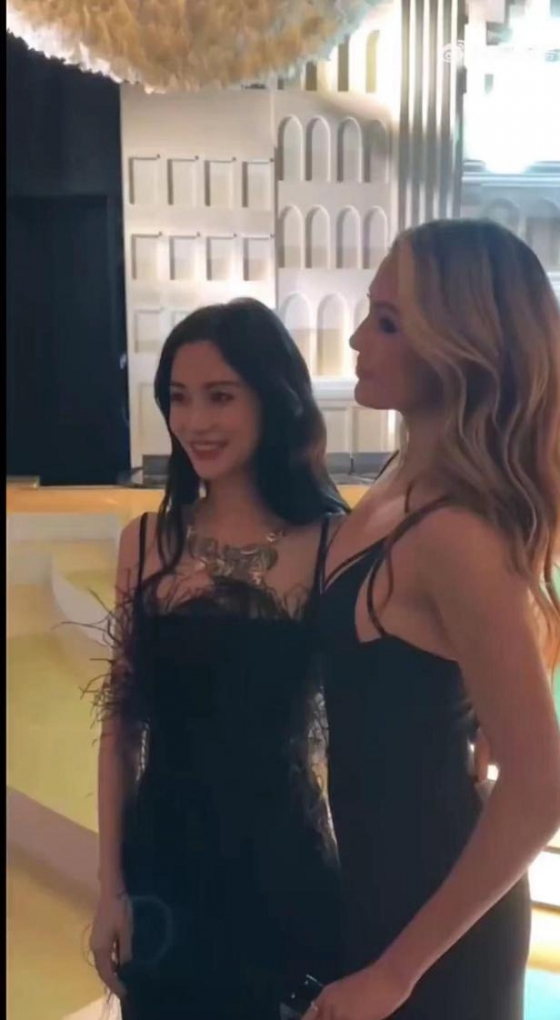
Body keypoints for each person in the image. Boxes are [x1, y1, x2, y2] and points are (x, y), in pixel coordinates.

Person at [305, 219, 560, 1020]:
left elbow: (543, 790)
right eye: (371, 311)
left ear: (460, 346)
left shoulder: (455, 533)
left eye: (389, 323)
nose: (358, 338)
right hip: (381, 886)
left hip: (434, 929)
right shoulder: (403, 480)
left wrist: (396, 973)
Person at [88, 298, 347, 1019]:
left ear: (274, 398)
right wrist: (109, 887)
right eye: (179, 397)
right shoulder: (146, 542)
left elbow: (370, 721)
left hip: (283, 875)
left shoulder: (332, 544)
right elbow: (120, 731)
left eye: (220, 396)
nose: (195, 420)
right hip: (162, 878)